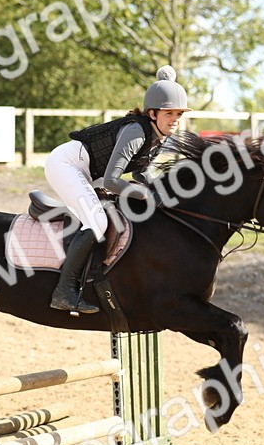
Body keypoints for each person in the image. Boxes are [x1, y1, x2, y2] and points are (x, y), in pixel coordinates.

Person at [43, 65, 189, 314]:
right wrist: (145, 194)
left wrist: (162, 192)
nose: (175, 119)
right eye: (169, 113)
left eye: (178, 114)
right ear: (152, 113)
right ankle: (63, 291)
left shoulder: (159, 137)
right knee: (97, 221)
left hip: (90, 172)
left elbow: (140, 173)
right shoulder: (136, 131)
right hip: (66, 165)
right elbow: (112, 181)